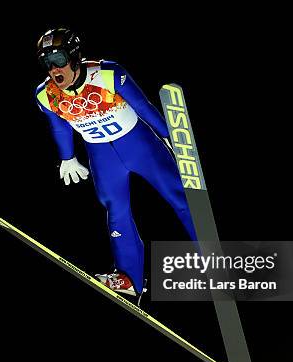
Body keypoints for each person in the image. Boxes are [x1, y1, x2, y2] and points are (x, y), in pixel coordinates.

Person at [35, 28, 197, 298]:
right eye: (46, 62)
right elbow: (60, 128)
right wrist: (67, 158)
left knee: (177, 195)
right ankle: (129, 278)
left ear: (74, 57)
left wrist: (170, 136)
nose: (54, 69)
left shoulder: (108, 74)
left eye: (59, 59)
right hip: (102, 155)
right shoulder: (45, 95)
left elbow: (143, 106)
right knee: (115, 209)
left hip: (138, 144)